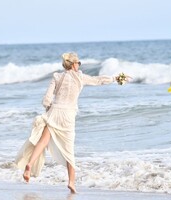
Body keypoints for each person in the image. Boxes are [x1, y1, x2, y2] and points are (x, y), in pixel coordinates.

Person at [15, 52, 117, 193]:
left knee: (43, 142)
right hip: (68, 116)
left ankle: (29, 165)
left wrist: (50, 108)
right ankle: (71, 182)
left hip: (54, 112)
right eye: (78, 63)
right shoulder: (80, 77)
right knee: (69, 151)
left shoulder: (57, 76)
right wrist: (116, 78)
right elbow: (97, 80)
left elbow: (46, 99)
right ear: (74, 64)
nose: (79, 65)